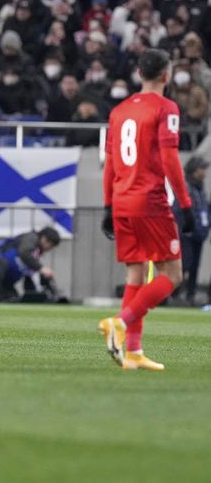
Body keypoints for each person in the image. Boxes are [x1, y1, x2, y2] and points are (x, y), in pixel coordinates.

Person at [99, 48, 194, 371]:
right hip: (149, 201)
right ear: (166, 75)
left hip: (122, 199)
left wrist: (107, 205)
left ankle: (134, 352)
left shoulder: (119, 110)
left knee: (136, 272)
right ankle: (120, 323)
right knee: (173, 273)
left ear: (139, 74)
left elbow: (110, 163)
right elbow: (169, 160)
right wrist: (186, 202)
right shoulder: (166, 108)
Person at [0, 228, 60, 302]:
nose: (49, 248)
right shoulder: (31, 238)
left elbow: (29, 274)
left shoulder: (36, 253)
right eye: (50, 244)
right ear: (44, 238)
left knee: (12, 299)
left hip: (6, 276)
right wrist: (41, 268)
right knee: (0, 264)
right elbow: (24, 253)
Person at [172, 156, 210, 306]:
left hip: (199, 235)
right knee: (185, 265)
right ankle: (175, 294)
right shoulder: (186, 187)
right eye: (202, 169)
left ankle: (190, 295)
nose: (204, 172)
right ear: (194, 170)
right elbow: (178, 210)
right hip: (186, 234)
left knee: (194, 267)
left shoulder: (200, 188)